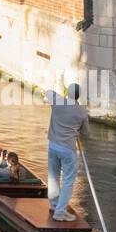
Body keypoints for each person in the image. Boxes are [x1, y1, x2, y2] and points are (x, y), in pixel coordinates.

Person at [46, 83, 89, 222]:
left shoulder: (57, 102)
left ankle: (54, 205)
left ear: (67, 92)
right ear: (78, 95)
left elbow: (48, 91)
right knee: (68, 180)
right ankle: (60, 211)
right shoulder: (82, 112)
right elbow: (85, 133)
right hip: (67, 149)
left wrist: (61, 96)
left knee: (53, 176)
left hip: (53, 145)